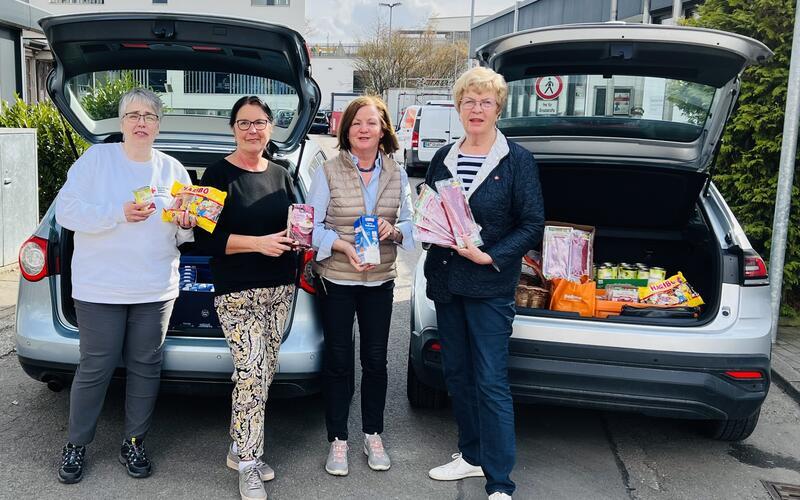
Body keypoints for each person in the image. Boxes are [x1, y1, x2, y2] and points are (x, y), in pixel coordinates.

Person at [55, 87, 195, 484]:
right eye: (134, 115)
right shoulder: (97, 160)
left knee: (146, 366)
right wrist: (118, 212)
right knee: (96, 366)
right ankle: (76, 444)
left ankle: (134, 441)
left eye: (149, 116)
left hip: (155, 288)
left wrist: (186, 225)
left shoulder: (173, 170)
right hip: (100, 287)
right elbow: (66, 212)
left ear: (158, 125)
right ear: (122, 122)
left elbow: (183, 235)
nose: (141, 123)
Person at [424, 67, 545, 500]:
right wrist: (426, 223)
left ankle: (499, 481)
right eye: (469, 101)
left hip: (489, 285)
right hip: (447, 282)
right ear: (459, 107)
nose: (476, 109)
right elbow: (430, 207)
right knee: (457, 374)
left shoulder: (516, 160)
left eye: (485, 102)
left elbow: (532, 223)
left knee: (491, 380)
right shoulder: (444, 156)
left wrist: (491, 255)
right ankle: (471, 455)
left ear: (498, 109)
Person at [193, 95, 299, 500]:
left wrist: (299, 240)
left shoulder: (282, 175)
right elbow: (205, 238)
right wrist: (258, 243)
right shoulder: (217, 174)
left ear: (270, 128)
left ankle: (241, 446)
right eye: (244, 123)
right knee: (251, 372)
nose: (252, 130)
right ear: (233, 129)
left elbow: (294, 226)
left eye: (260, 123)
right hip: (237, 293)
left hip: (280, 289)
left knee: (264, 371)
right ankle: (250, 464)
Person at [308, 95, 414, 477]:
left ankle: (373, 434)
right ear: (346, 130)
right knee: (338, 361)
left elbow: (413, 225)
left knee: (375, 361)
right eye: (356, 123)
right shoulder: (328, 170)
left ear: (384, 129)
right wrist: (341, 245)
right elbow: (311, 226)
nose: (364, 129)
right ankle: (338, 439)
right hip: (338, 278)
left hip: (380, 281)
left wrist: (394, 231)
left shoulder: (398, 174)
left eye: (371, 122)